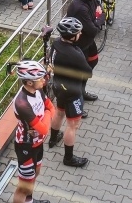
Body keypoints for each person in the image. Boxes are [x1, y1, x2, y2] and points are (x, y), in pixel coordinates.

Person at [47, 16, 91, 168]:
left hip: (58, 86)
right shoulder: (75, 54)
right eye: (78, 32)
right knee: (72, 125)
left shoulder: (56, 43)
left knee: (59, 113)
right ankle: (68, 158)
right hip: (72, 92)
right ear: (72, 36)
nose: (80, 34)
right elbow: (88, 73)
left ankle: (53, 139)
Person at [12, 60, 54, 203]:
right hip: (26, 145)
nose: (44, 80)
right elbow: (43, 128)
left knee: (35, 174)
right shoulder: (22, 103)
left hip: (38, 143)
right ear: (29, 82)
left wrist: (47, 114)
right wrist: (47, 114)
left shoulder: (37, 90)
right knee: (23, 187)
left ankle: (29, 201)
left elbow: (52, 108)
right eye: (40, 78)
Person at [65, 0, 104, 108]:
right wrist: (98, 19)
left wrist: (97, 19)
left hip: (88, 42)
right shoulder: (80, 8)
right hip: (78, 46)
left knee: (92, 63)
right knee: (78, 74)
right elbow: (93, 30)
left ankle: (82, 91)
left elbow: (101, 12)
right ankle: (75, 104)